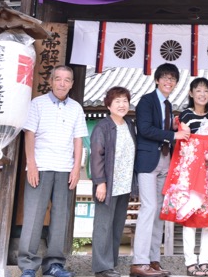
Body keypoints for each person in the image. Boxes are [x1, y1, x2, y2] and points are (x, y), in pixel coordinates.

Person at [18, 66, 88, 277]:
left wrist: (76, 168)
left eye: (67, 80)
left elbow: (78, 140)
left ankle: (54, 265)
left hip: (65, 169)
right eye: (58, 79)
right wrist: (31, 164)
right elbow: (29, 135)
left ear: (72, 84)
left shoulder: (76, 108)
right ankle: (28, 266)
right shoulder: (37, 104)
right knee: (33, 216)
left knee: (60, 217)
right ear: (51, 81)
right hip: (40, 166)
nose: (62, 83)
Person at [130, 63, 191, 277]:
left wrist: (173, 129)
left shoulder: (168, 105)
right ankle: (139, 262)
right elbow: (145, 129)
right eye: (165, 78)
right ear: (157, 80)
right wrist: (174, 135)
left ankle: (153, 260)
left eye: (173, 79)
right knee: (148, 208)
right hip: (148, 162)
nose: (169, 82)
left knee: (158, 212)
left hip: (165, 160)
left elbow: (161, 130)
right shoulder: (146, 101)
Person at [178, 77, 208, 277]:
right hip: (190, 171)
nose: (202, 94)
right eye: (198, 91)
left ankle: (204, 261)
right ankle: (190, 262)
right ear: (191, 93)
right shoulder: (185, 115)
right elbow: (184, 140)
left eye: (206, 91)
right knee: (190, 215)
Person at [91, 86, 137, 277]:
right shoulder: (103, 127)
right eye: (117, 101)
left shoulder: (129, 124)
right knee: (103, 225)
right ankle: (102, 268)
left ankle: (111, 264)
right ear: (108, 105)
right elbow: (96, 156)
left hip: (124, 184)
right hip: (107, 185)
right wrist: (100, 182)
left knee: (117, 225)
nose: (122, 104)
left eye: (125, 101)